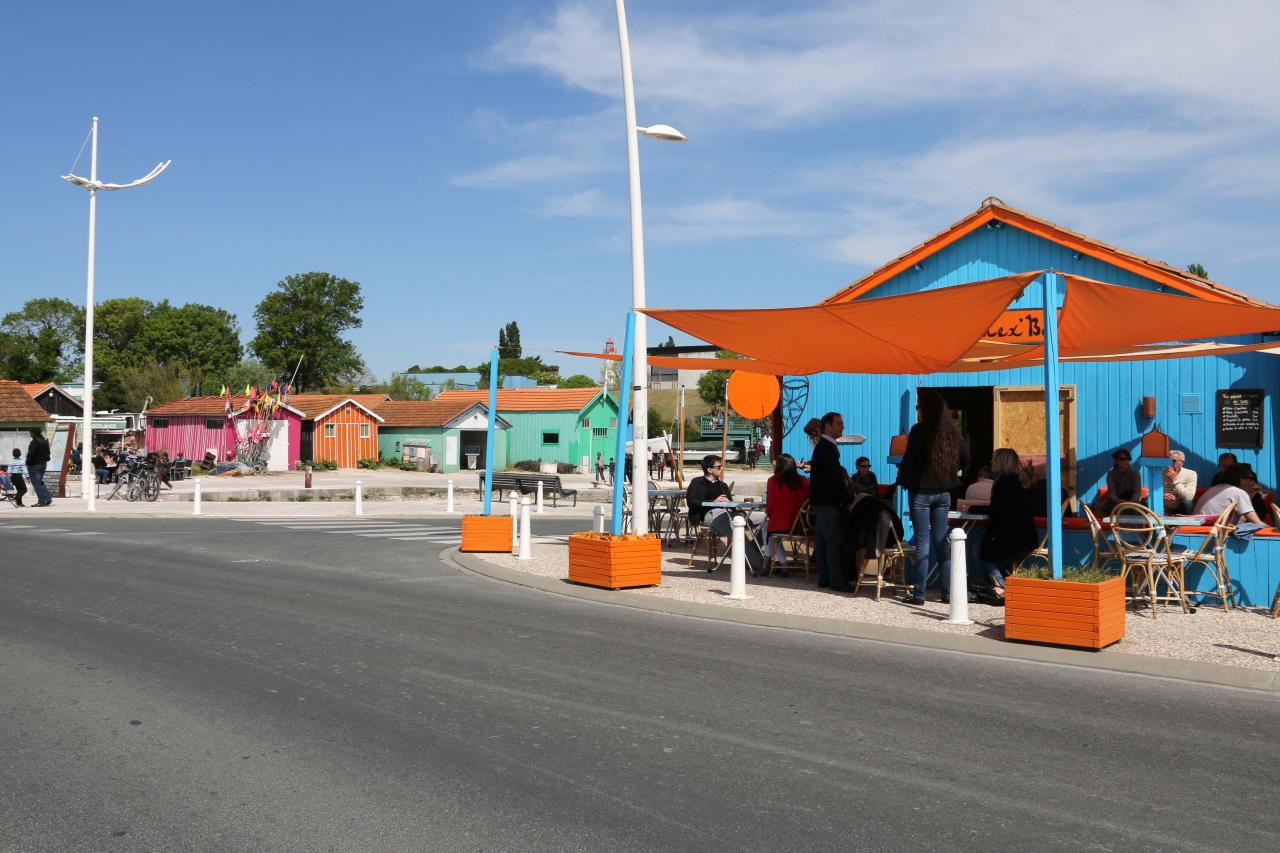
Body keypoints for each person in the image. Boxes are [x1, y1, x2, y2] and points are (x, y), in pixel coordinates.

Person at [896, 390, 965, 604]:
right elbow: (965, 458)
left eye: (918, 408)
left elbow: (909, 461)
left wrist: (900, 481)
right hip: (943, 493)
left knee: (923, 542)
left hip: (921, 493)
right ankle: (947, 593)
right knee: (942, 542)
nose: (917, 412)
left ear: (925, 409)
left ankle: (919, 594)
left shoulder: (919, 431)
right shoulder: (951, 432)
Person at [974, 449, 1039, 602]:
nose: (991, 463)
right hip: (1026, 537)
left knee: (978, 549)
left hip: (1014, 539)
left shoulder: (1003, 484)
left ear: (1001, 463)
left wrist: (972, 508)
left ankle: (1000, 585)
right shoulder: (1014, 482)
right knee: (986, 550)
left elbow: (996, 512)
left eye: (994, 460)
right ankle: (1002, 583)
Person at [810, 411, 853, 592]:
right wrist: (847, 497)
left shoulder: (823, 447)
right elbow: (833, 478)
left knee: (822, 540)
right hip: (828, 501)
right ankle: (836, 578)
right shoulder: (827, 448)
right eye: (839, 423)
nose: (842, 426)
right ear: (828, 425)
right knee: (833, 540)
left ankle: (825, 576)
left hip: (820, 500)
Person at [765, 453, 809, 565]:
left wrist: (773, 516)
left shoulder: (773, 481)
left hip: (781, 525)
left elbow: (769, 508)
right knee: (768, 528)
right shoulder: (803, 480)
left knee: (767, 528)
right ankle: (773, 562)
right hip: (801, 526)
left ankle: (775, 562)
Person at [1193, 463, 1263, 524]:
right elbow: (1256, 522)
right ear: (1242, 480)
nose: (1253, 482)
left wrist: (1250, 496)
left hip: (1198, 530)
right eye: (1251, 478)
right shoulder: (1238, 492)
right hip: (1219, 533)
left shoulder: (1214, 489)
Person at [685, 454, 732, 528]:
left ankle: (740, 538)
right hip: (705, 515)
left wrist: (729, 503)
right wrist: (713, 502)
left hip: (724, 513)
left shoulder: (723, 485)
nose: (722, 469)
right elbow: (691, 502)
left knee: (745, 519)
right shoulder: (697, 482)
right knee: (734, 521)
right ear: (709, 470)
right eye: (719, 467)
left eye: (722, 466)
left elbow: (733, 508)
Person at [1092, 448, 1140, 517]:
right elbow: (1112, 493)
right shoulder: (1111, 474)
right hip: (1116, 501)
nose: (1126, 461)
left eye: (1128, 459)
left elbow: (1137, 493)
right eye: (1123, 459)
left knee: (1139, 510)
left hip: (1131, 502)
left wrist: (1130, 504)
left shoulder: (1135, 474)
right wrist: (1118, 501)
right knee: (1098, 510)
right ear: (1116, 461)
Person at [1163, 450, 1198, 515]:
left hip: (1179, 506)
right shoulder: (1159, 473)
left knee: (1187, 503)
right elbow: (1149, 493)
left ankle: (1186, 524)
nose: (1169, 463)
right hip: (1162, 505)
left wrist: (1175, 480)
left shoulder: (1191, 474)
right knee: (1147, 501)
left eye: (1173, 460)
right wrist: (1162, 495)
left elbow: (1189, 497)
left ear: (1182, 463)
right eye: (1167, 460)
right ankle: (1152, 524)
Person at [25, 427, 52, 507]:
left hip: (35, 465)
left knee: (37, 483)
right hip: (43, 464)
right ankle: (48, 498)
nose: (30, 434)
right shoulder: (44, 441)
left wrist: (27, 463)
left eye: (31, 433)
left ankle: (42, 501)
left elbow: (31, 455)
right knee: (40, 482)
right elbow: (48, 454)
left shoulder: (34, 442)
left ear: (33, 433)